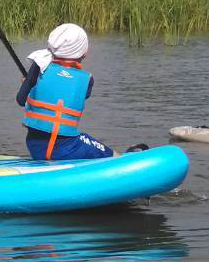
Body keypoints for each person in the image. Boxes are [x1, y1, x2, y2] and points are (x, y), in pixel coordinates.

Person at [16, 23, 144, 160]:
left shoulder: (38, 66)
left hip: (35, 145)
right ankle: (123, 160)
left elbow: (20, 100)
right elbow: (76, 97)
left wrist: (30, 84)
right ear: (84, 53)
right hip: (65, 147)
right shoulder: (87, 79)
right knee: (106, 152)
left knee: (83, 141)